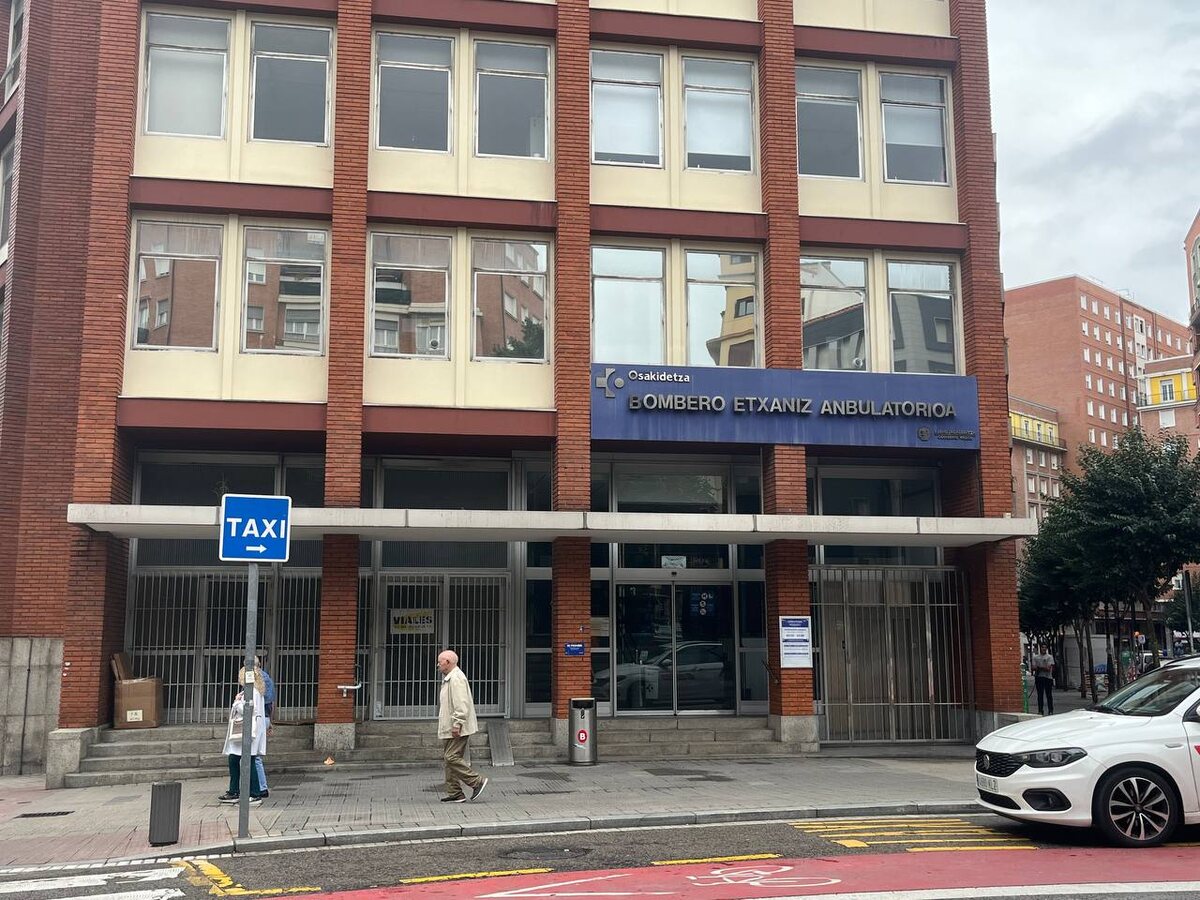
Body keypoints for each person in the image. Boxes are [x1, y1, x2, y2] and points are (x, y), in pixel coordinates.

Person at [436, 649, 487, 804]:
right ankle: (455, 793)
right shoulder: (451, 678)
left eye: (439, 662)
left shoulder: (456, 678)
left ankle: (476, 781)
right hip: (450, 726)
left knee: (451, 757)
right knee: (449, 760)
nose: (438, 665)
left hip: (457, 726)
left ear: (448, 662)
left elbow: (461, 703)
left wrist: (457, 723)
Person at [218, 666, 267, 805]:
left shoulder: (253, 692)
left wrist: (236, 702)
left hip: (247, 731)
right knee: (237, 759)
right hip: (248, 731)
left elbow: (248, 709)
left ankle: (253, 793)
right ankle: (236, 791)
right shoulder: (253, 691)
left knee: (246, 760)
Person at [254, 657, 275, 800]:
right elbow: (271, 703)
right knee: (256, 756)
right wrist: (270, 721)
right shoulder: (267, 678)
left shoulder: (256, 679)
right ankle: (258, 786)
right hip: (265, 718)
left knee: (254, 757)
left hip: (258, 719)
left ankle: (261, 787)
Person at [1031, 644, 1055, 716]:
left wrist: (1039, 667)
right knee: (1040, 695)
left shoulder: (1049, 657)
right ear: (1040, 648)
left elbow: (1048, 668)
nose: (1043, 649)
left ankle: (1050, 710)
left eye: (1045, 647)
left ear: (1046, 648)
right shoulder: (1035, 657)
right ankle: (1040, 710)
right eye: (1042, 647)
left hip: (1048, 678)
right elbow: (1033, 667)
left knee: (1049, 695)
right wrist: (1042, 667)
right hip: (1039, 677)